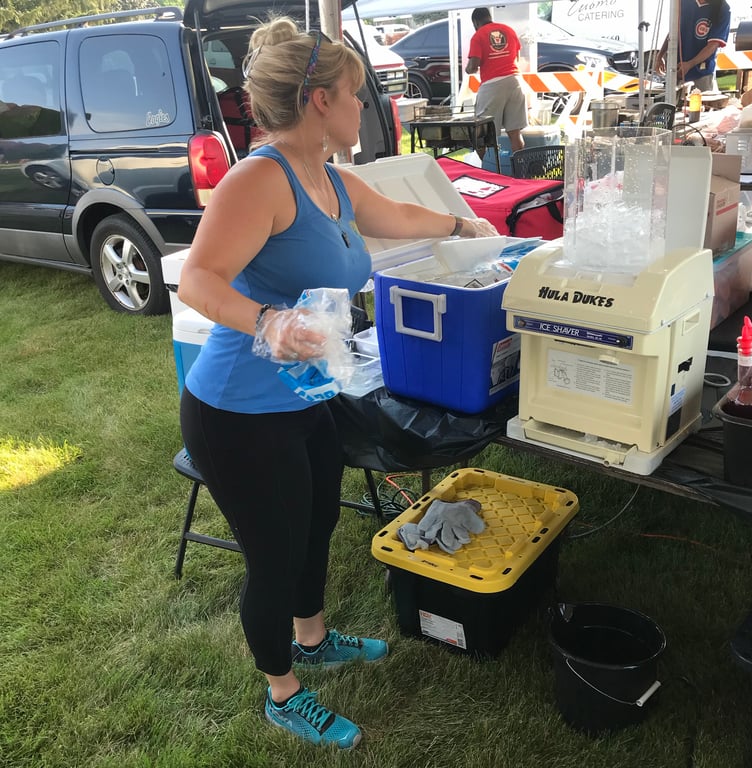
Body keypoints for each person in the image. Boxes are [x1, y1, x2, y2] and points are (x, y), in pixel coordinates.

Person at [177, 17, 498, 752]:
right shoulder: (259, 178)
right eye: (359, 92)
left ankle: (312, 637)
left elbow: (396, 216)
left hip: (309, 397)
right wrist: (266, 322)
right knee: (274, 553)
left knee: (318, 523)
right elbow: (199, 276)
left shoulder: (329, 179)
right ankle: (282, 691)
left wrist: (463, 227)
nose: (368, 105)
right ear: (321, 99)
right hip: (238, 412)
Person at [465, 7, 527, 155]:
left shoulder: (478, 36)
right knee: (515, 133)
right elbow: (516, 57)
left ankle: (484, 172)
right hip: (515, 82)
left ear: (475, 22)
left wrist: (468, 69)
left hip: (492, 85)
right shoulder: (509, 30)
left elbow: (473, 66)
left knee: (482, 134)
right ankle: (519, 172)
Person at [655, 0, 731, 92]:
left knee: (702, 104)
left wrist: (690, 64)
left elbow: (713, 45)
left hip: (702, 73)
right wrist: (660, 55)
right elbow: (673, 31)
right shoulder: (682, 2)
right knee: (673, 104)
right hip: (677, 71)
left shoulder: (723, 8)